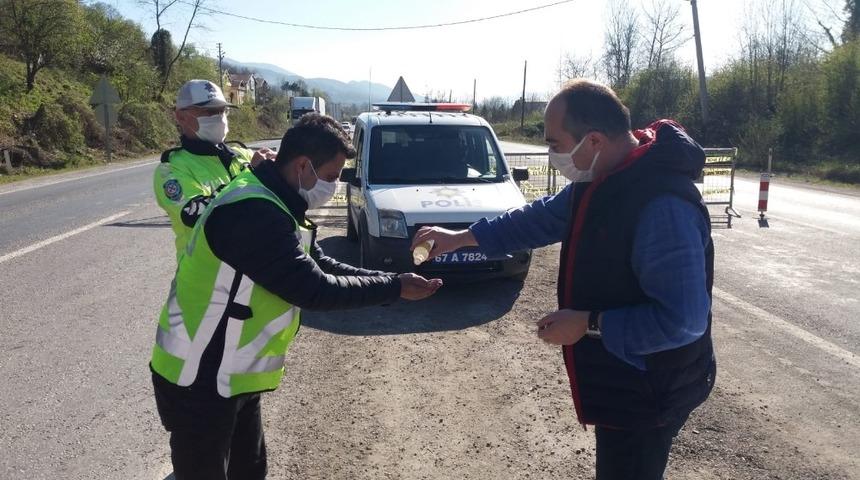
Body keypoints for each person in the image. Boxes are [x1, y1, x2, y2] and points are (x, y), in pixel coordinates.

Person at [412, 79, 715, 479]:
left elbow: (683, 321)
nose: (552, 155)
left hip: (651, 389)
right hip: (626, 378)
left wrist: (589, 324)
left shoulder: (661, 207)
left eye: (555, 144)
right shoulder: (604, 178)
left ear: (594, 140)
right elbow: (538, 218)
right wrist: (462, 238)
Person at [150, 113, 443, 480]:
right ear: (303, 166)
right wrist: (395, 288)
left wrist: (393, 280)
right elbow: (314, 288)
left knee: (249, 470)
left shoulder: (276, 201)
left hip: (230, 374)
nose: (334, 186)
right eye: (332, 176)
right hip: (197, 376)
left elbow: (320, 263)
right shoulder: (254, 212)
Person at [154, 79, 277, 259]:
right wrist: (251, 174)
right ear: (181, 117)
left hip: (251, 268)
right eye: (209, 112)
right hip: (203, 274)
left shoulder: (243, 155)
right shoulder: (171, 169)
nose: (219, 117)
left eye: (222, 111)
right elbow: (195, 215)